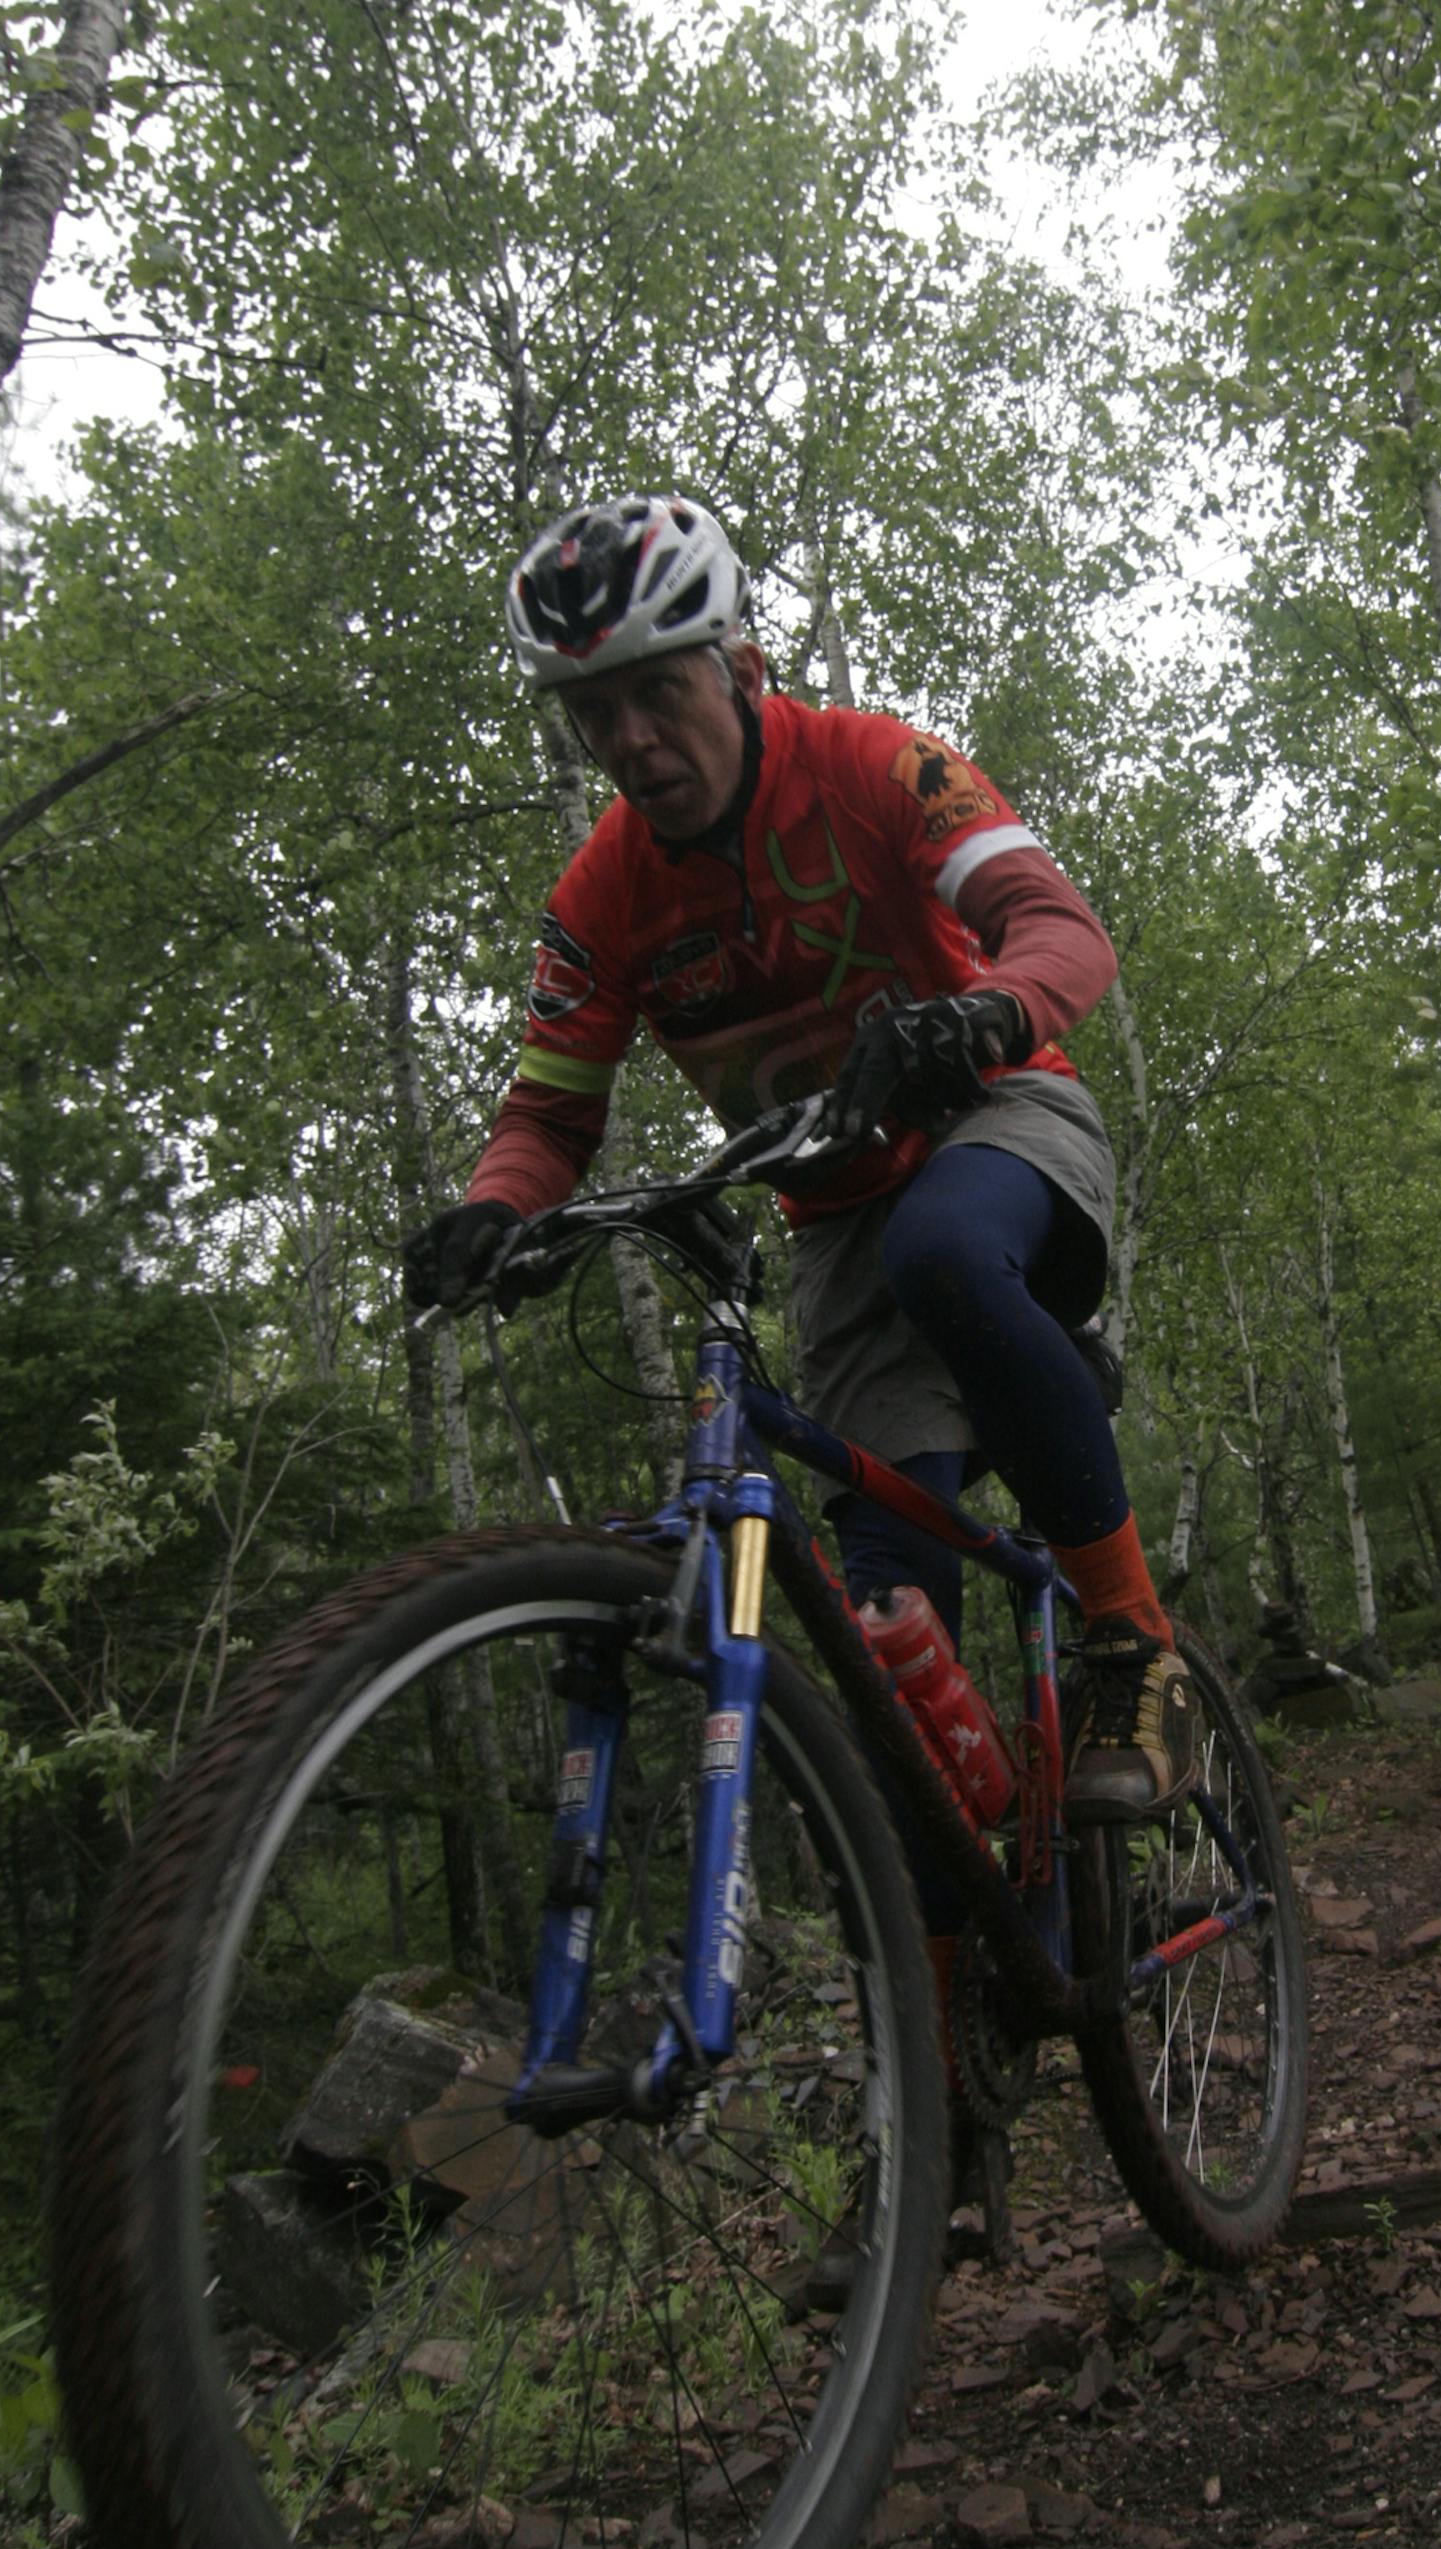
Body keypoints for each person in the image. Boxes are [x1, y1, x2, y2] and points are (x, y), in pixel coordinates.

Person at [402, 492, 1194, 1825]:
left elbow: (1057, 928)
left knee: (941, 1247)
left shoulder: (877, 765)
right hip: (834, 1223)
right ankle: (958, 1978)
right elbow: (549, 1120)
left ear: (741, 668)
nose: (633, 742)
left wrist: (981, 1011)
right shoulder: (600, 899)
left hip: (998, 1117)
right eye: (595, 715)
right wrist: (495, 1211)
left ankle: (1130, 1638)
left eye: (658, 693)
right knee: (893, 1642)